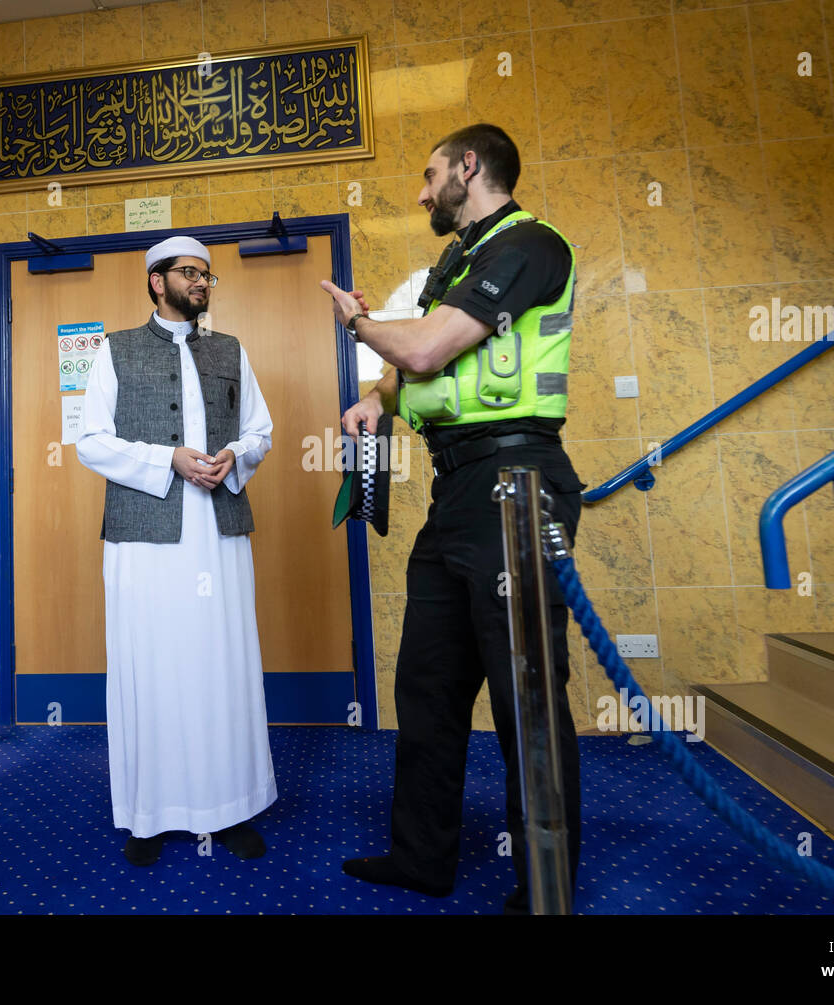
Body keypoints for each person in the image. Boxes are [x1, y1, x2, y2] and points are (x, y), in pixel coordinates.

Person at [320, 123, 584, 914]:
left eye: (431, 174)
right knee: (429, 683)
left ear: (471, 167)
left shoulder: (531, 246)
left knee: (524, 691)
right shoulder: (453, 263)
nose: (423, 190)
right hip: (456, 490)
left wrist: (359, 325)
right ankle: (421, 856)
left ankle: (546, 882)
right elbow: (422, 379)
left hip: (518, 480)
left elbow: (430, 350)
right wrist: (374, 398)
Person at [76, 235, 276, 866]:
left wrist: (233, 458)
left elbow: (260, 432)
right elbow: (90, 442)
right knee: (149, 665)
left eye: (208, 276)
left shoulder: (230, 351)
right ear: (156, 281)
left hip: (217, 531)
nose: (202, 284)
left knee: (223, 662)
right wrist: (166, 458)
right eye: (191, 274)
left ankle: (232, 805)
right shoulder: (115, 351)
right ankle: (148, 815)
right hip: (143, 535)